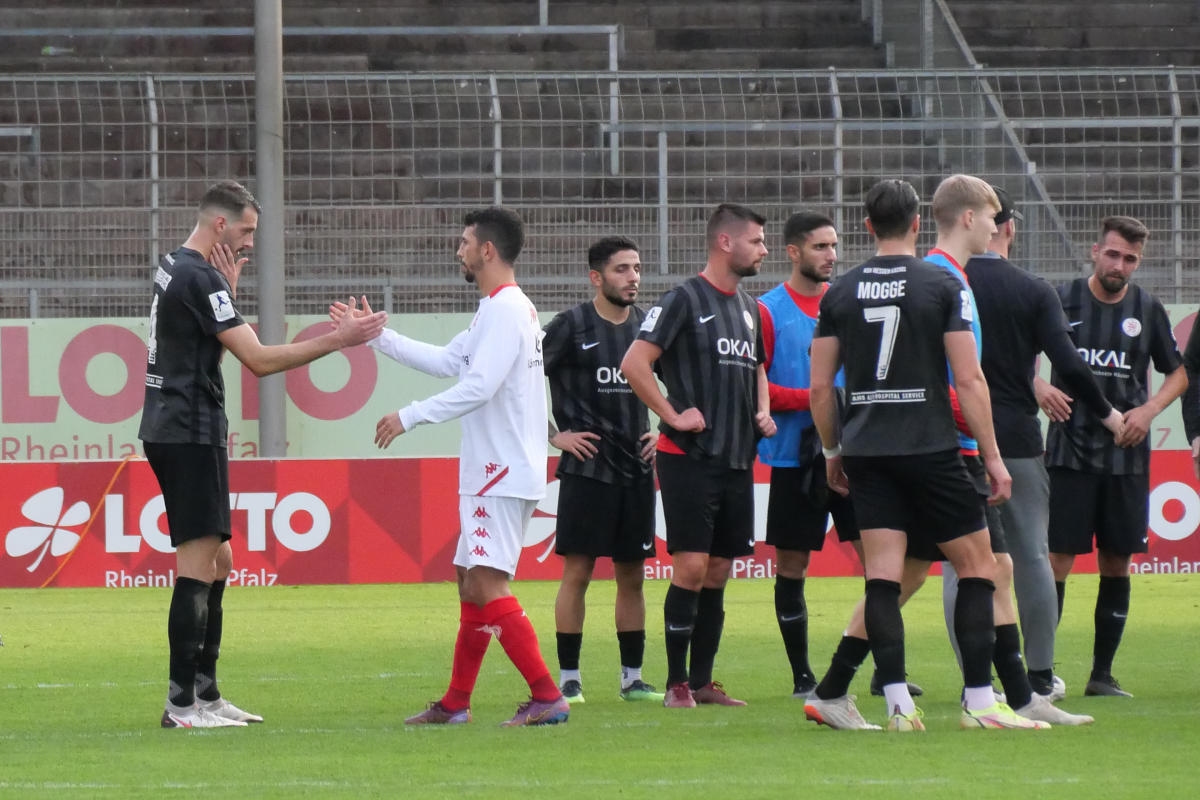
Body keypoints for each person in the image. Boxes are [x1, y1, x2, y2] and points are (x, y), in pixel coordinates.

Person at [140, 179, 388, 729]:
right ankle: (182, 705)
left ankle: (206, 694)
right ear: (221, 225)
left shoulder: (177, 266)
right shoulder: (201, 278)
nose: (251, 241)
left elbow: (203, 338)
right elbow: (260, 361)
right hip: (187, 429)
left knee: (219, 562)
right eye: (247, 230)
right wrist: (339, 340)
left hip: (179, 425)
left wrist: (227, 291)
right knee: (198, 563)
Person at [808, 178, 1042, 732]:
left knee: (883, 577)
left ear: (866, 226)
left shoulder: (839, 291)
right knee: (979, 567)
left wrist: (832, 451)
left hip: (866, 449)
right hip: (931, 448)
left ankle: (895, 704)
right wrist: (993, 456)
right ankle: (982, 702)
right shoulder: (941, 284)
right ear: (917, 224)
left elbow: (822, 389)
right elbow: (968, 377)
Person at [362, 207, 569, 727]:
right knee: (468, 577)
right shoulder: (497, 309)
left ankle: (547, 695)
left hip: (498, 469)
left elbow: (479, 387)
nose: (459, 251)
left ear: (487, 251)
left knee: (485, 585)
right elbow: (448, 362)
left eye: (464, 242)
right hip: (500, 467)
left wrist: (409, 416)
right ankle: (456, 703)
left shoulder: (505, 310)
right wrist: (373, 336)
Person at [964, 185, 1122, 712]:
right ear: (1009, 227)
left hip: (953, 436)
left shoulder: (943, 281)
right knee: (1032, 555)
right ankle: (1037, 676)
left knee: (963, 561)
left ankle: (975, 680)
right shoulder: (1031, 289)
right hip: (1013, 438)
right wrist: (1106, 411)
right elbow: (1070, 364)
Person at [756, 211, 924, 700]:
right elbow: (758, 383)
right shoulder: (768, 310)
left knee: (882, 567)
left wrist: (837, 401)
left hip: (857, 455)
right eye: (820, 247)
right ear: (793, 253)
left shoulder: (849, 302)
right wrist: (817, 398)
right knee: (792, 567)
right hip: (794, 458)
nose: (832, 255)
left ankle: (884, 671)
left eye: (835, 246)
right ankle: (803, 677)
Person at [621, 203, 777, 709]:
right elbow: (634, 362)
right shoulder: (683, 300)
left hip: (736, 458)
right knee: (689, 567)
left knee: (718, 572)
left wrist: (763, 410)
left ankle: (705, 682)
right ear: (725, 243)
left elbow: (756, 368)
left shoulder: (752, 309)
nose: (764, 249)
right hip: (688, 455)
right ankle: (676, 684)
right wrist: (674, 413)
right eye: (756, 240)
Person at [1036, 215, 1186, 698]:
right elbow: (1010, 355)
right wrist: (1038, 385)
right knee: (1057, 559)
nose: (1120, 265)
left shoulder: (1148, 308)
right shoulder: (1059, 300)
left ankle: (1102, 675)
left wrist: (1149, 409)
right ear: (1095, 250)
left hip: (1127, 456)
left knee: (1117, 561)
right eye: (1114, 254)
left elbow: (1178, 373)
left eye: (1131, 259)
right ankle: (1040, 673)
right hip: (1069, 451)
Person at [542, 236, 663, 704]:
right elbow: (521, 380)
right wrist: (555, 435)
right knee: (579, 572)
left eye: (636, 268)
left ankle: (632, 679)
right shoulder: (569, 327)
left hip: (636, 470)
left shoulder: (650, 328)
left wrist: (666, 429)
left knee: (632, 576)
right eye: (621, 269)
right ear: (597, 277)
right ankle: (569, 679)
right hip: (588, 471)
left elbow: (686, 380)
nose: (633, 277)